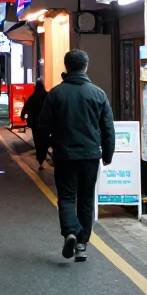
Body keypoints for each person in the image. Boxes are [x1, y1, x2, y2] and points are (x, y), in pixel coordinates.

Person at [38, 49, 115, 263]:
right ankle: (82, 245)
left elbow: (43, 127)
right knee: (86, 199)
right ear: (86, 66)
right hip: (90, 155)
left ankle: (70, 231)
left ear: (66, 67)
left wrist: (44, 152)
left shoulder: (56, 93)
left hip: (64, 155)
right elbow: (108, 127)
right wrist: (108, 153)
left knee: (66, 197)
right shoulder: (98, 94)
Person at [21, 80, 49, 168]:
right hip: (45, 123)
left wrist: (22, 116)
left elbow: (26, 107)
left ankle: (40, 159)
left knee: (37, 141)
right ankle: (43, 157)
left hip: (34, 123)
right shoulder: (47, 96)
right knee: (45, 140)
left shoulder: (32, 97)